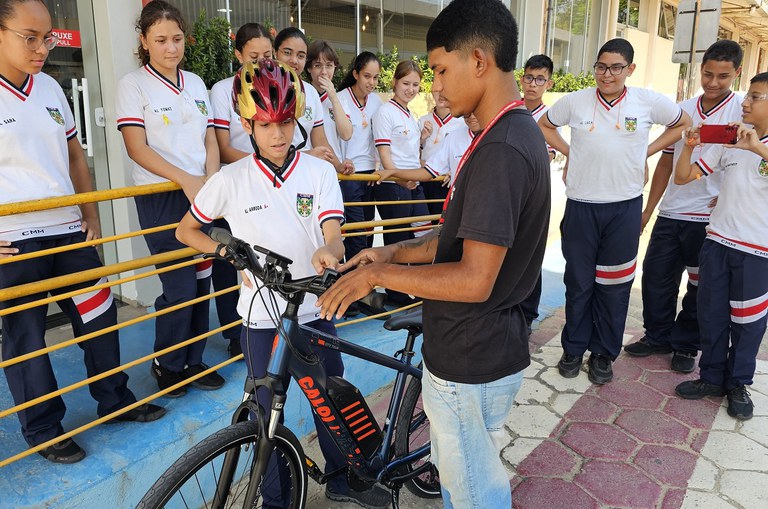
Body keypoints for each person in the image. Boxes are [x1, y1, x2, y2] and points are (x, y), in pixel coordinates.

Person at [317, 0, 551, 506]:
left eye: (442, 70)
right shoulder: (501, 133)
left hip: (472, 358)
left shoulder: (502, 150)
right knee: (464, 482)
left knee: (472, 495)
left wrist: (377, 279)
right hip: (477, 349)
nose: (435, 86)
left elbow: (473, 278)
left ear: (479, 61)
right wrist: (393, 253)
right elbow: (453, 240)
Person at [175, 59, 390, 508]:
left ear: (298, 119)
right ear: (246, 123)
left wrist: (330, 249)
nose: (277, 133)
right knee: (262, 415)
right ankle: (276, 499)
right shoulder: (230, 180)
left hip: (316, 309)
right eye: (265, 123)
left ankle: (342, 476)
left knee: (329, 398)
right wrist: (224, 250)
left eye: (286, 122)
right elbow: (186, 230)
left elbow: (333, 229)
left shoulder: (318, 172)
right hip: (259, 317)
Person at [0, 0, 164, 464]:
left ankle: (114, 399)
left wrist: (90, 214)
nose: (41, 48)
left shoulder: (50, 86)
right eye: (28, 37)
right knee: (26, 337)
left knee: (98, 314)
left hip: (70, 230)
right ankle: (44, 428)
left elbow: (75, 155)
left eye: (47, 37)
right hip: (15, 241)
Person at [539, 38, 691, 385]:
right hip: (581, 206)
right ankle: (574, 349)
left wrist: (647, 152)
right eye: (601, 66)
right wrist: (570, 152)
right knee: (578, 283)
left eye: (615, 67)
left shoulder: (646, 101)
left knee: (614, 286)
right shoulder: (576, 101)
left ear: (630, 69)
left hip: (623, 208)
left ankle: (603, 353)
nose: (607, 74)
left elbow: (682, 123)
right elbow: (545, 125)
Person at [116, 0, 224, 397]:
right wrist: (185, 179)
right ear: (144, 41)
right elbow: (136, 147)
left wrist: (210, 177)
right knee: (178, 285)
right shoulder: (133, 85)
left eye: (177, 39)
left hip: (201, 192)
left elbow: (210, 137)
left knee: (202, 279)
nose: (171, 48)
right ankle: (167, 363)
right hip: (162, 196)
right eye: (160, 40)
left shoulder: (195, 83)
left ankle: (193, 362)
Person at [624, 40, 744, 373]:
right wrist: (648, 211)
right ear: (700, 70)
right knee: (656, 277)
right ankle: (658, 335)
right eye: (708, 74)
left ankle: (686, 343)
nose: (713, 82)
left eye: (723, 76)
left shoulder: (740, 113)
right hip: (672, 212)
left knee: (699, 285)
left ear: (737, 73)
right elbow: (666, 163)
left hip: (710, 218)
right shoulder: (683, 110)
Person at [672, 72, 768, 421]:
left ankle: (738, 383)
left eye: (755, 97)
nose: (744, 102)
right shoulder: (730, 141)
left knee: (748, 322)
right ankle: (711, 377)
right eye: (747, 96)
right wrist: (690, 146)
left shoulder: (753, 144)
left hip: (757, 254)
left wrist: (757, 147)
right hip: (717, 243)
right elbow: (684, 177)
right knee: (711, 315)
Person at [209, 23, 276, 358]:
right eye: (253, 56)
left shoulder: (277, 84)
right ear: (238, 54)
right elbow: (222, 147)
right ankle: (236, 334)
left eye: (267, 55)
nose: (261, 62)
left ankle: (272, 323)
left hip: (270, 179)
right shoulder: (223, 89)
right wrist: (260, 162)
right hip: (239, 181)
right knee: (235, 260)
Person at [371, 60, 429, 305]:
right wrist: (400, 179)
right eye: (406, 83)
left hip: (412, 183)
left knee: (420, 234)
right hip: (393, 184)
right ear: (394, 82)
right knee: (397, 238)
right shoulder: (385, 112)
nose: (410, 89)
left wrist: (422, 139)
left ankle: (410, 285)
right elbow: (385, 155)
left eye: (415, 84)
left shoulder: (409, 113)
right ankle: (395, 292)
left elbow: (409, 151)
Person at [273, 27, 347, 173]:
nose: (294, 60)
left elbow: (320, 141)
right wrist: (305, 156)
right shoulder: (263, 91)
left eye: (300, 56)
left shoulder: (311, 93)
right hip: (273, 174)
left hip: (304, 172)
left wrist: (338, 166)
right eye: (287, 53)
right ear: (275, 53)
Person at [519, 53, 557, 332]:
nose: (533, 84)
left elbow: (550, 154)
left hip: (534, 195)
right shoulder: (509, 109)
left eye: (540, 79)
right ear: (522, 79)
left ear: (549, 84)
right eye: (529, 77)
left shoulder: (549, 118)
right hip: (507, 190)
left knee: (531, 252)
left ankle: (528, 313)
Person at [336, 52, 384, 261]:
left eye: (375, 77)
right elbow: (337, 136)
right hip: (349, 174)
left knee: (368, 228)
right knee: (356, 232)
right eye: (367, 76)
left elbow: (379, 138)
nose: (371, 82)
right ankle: (354, 286)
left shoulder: (376, 102)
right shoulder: (340, 99)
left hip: (370, 175)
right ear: (355, 74)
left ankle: (366, 280)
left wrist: (378, 166)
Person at [306, 39, 354, 173]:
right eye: (317, 65)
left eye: (329, 65)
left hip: (333, 169)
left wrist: (333, 97)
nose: (324, 72)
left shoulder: (340, 99)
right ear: (309, 68)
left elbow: (346, 134)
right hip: (307, 168)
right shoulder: (303, 95)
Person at [418, 90, 465, 216]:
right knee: (423, 226)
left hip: (447, 181)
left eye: (445, 91)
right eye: (437, 91)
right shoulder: (423, 121)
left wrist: (454, 169)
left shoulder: (462, 123)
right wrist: (421, 140)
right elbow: (412, 154)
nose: (441, 95)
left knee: (443, 224)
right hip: (424, 179)